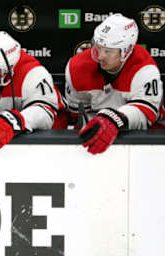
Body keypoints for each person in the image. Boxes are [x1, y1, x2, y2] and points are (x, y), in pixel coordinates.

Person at [65, 13, 163, 155]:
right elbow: (77, 116)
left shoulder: (144, 69)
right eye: (97, 48)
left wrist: (113, 118)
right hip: (101, 133)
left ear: (127, 50)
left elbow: (145, 113)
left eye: (108, 51)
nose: (100, 56)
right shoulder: (76, 67)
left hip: (145, 138)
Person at [0, 31, 65, 151]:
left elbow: (45, 113)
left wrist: (12, 122)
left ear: (8, 71)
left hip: (43, 141)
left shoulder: (33, 73)